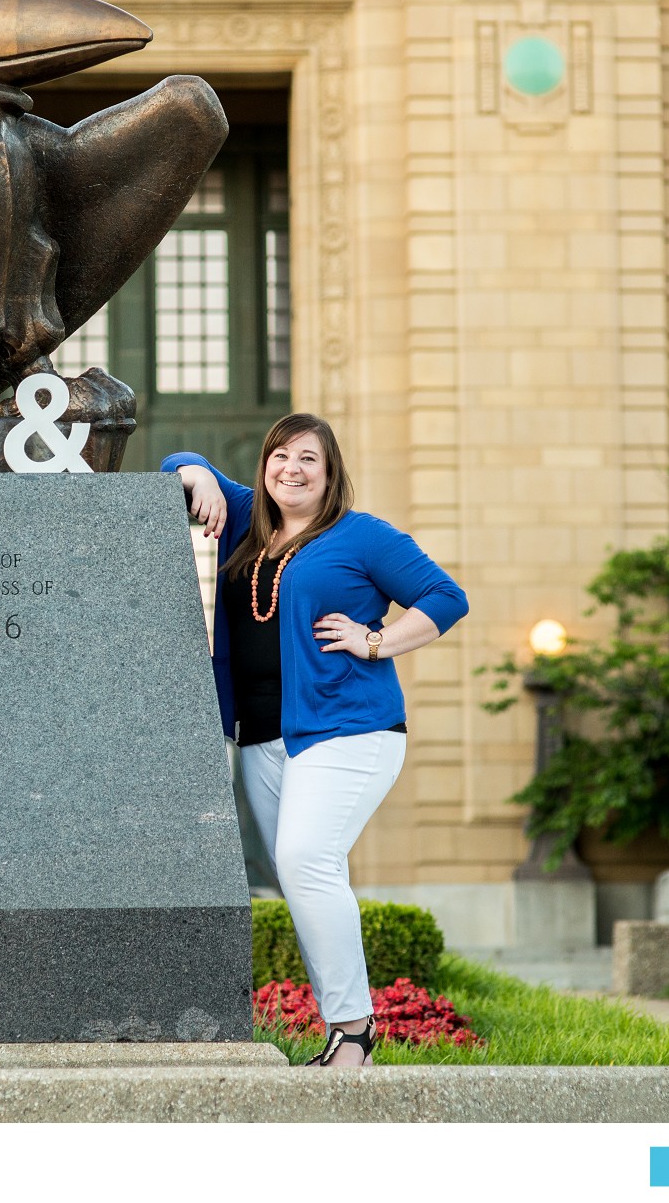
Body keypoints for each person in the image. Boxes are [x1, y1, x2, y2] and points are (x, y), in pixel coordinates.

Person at [163, 415, 467, 1068]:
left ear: (330, 474)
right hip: (262, 739)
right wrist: (192, 471)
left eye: (308, 458)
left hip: (349, 730)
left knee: (304, 858)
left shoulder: (361, 536)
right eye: (279, 455)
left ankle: (355, 1032)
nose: (291, 468)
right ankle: (341, 1033)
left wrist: (376, 639)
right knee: (305, 873)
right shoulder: (245, 517)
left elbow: (446, 596)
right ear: (264, 466)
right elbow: (174, 464)